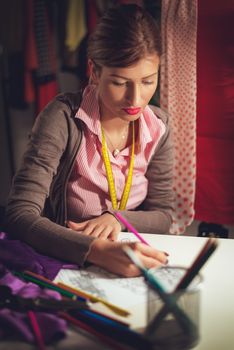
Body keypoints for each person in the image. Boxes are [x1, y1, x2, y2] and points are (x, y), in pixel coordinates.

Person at [4, 4, 174, 277]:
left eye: (147, 81)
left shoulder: (159, 126)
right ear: (94, 72)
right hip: (64, 256)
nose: (136, 99)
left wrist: (118, 218)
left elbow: (165, 216)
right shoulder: (62, 118)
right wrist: (95, 249)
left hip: (128, 256)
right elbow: (20, 214)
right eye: (120, 83)